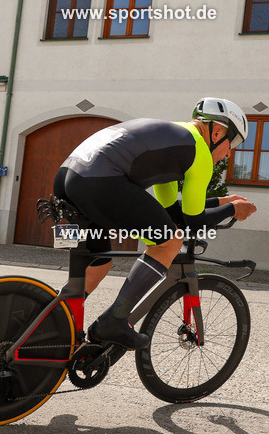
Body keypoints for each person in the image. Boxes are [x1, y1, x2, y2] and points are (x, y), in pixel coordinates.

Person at [54, 98, 258, 349]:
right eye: (233, 143)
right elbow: (192, 224)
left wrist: (219, 203)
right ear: (217, 131)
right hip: (99, 182)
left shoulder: (173, 139)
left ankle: (51, 325)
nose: (229, 154)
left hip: (69, 179)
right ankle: (114, 321)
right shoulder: (199, 152)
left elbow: (174, 211)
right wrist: (232, 210)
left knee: (99, 262)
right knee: (170, 241)